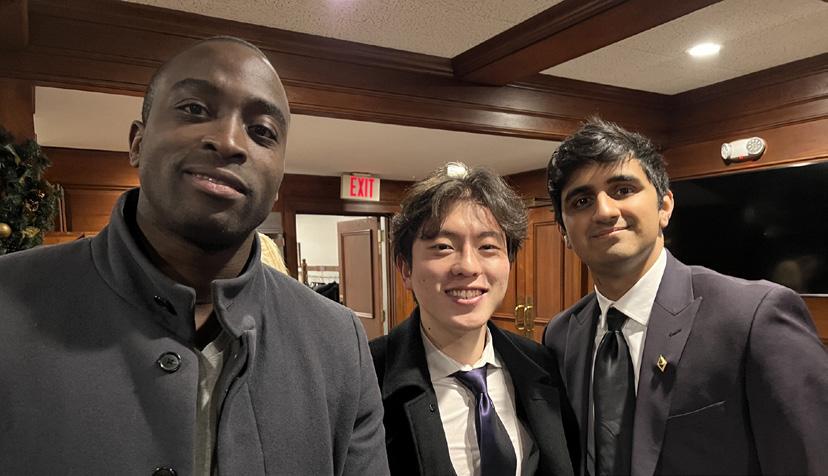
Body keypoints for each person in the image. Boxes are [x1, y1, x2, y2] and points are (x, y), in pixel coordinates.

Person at [0, 37, 388, 475]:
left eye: (262, 131)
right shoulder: (9, 302)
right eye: (194, 109)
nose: (228, 141)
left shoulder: (337, 341)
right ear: (137, 143)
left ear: (279, 181)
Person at [543, 118, 828, 476]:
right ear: (563, 232)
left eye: (623, 189)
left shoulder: (752, 318)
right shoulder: (561, 334)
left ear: (664, 206)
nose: (604, 211)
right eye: (582, 200)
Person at [370, 162, 578, 476]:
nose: (468, 266)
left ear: (508, 263)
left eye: (487, 246)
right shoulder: (367, 376)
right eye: (443, 247)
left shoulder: (540, 364)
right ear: (405, 269)